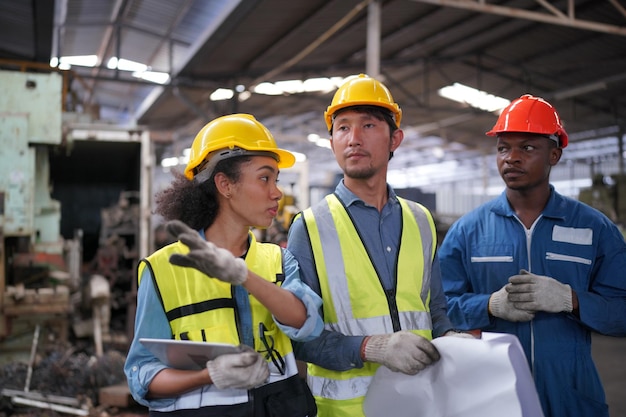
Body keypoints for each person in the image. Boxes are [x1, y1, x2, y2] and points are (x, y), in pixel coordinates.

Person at [286, 74, 473, 417]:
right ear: (332, 143)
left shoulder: (421, 220)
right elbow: (300, 338)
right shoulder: (309, 227)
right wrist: (373, 347)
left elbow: (434, 310)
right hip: (345, 410)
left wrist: (451, 340)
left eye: (369, 125)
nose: (353, 138)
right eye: (342, 128)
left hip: (421, 402)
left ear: (395, 139)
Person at [438, 94, 626, 417]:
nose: (511, 158)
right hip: (492, 396)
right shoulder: (467, 232)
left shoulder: (595, 229)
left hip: (572, 395)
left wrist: (572, 300)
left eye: (526, 147)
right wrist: (489, 305)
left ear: (554, 154)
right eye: (502, 148)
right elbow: (438, 309)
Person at [124, 113, 323, 416]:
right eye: (264, 178)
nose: (277, 192)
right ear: (225, 184)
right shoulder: (162, 270)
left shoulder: (278, 260)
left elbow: (306, 323)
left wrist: (244, 276)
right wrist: (209, 375)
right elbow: (142, 375)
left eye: (276, 180)